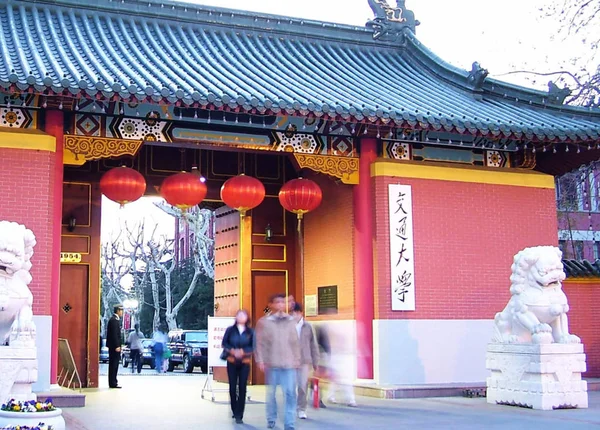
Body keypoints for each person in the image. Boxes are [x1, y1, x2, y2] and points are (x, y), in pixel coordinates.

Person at [256, 294, 301, 430]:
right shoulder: (265, 322)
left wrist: (297, 359)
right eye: (278, 302)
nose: (281, 305)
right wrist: (261, 360)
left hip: (289, 364)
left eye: (283, 302)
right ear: (273, 305)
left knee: (290, 394)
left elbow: (295, 342)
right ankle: (271, 418)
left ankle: (289, 424)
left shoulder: (291, 321)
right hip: (273, 363)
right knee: (271, 394)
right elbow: (260, 343)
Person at [222, 310, 254, 425]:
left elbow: (253, 346)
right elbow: (224, 343)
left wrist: (243, 352)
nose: (241, 317)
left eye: (243, 315)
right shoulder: (230, 330)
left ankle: (240, 414)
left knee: (242, 388)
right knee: (232, 387)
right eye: (239, 315)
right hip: (232, 361)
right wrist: (232, 350)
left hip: (244, 362)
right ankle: (234, 410)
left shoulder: (250, 331)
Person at [292, 303, 319, 420]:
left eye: (296, 313)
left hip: (304, 361)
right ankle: (291, 408)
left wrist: (315, 361)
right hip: (291, 361)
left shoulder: (308, 326)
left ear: (301, 313)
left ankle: (301, 409)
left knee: (302, 386)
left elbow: (313, 345)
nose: (295, 315)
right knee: (290, 386)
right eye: (293, 313)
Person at [106, 304, 123, 389]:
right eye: (121, 310)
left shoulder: (115, 320)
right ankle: (113, 382)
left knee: (114, 364)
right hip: (114, 347)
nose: (122, 312)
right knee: (114, 364)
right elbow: (114, 335)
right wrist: (117, 345)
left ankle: (113, 381)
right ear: (118, 310)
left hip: (114, 346)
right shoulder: (114, 320)